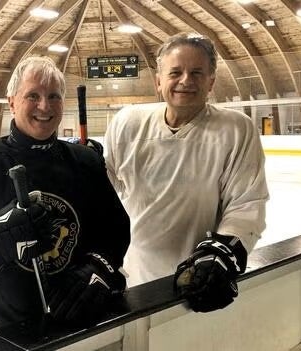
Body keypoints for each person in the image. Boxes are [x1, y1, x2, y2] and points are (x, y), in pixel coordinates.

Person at [0, 56, 130, 340]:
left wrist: (97, 269)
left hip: (77, 332)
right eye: (33, 95)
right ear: (12, 102)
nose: (45, 106)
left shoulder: (85, 163)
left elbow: (115, 233)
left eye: (54, 96)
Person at [104, 33, 269, 312]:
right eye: (175, 72)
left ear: (211, 82)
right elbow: (102, 192)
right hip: (132, 280)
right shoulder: (127, 123)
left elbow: (246, 204)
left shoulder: (236, 130)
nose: (185, 81)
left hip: (199, 280)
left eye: (196, 73)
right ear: (159, 81)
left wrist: (220, 253)